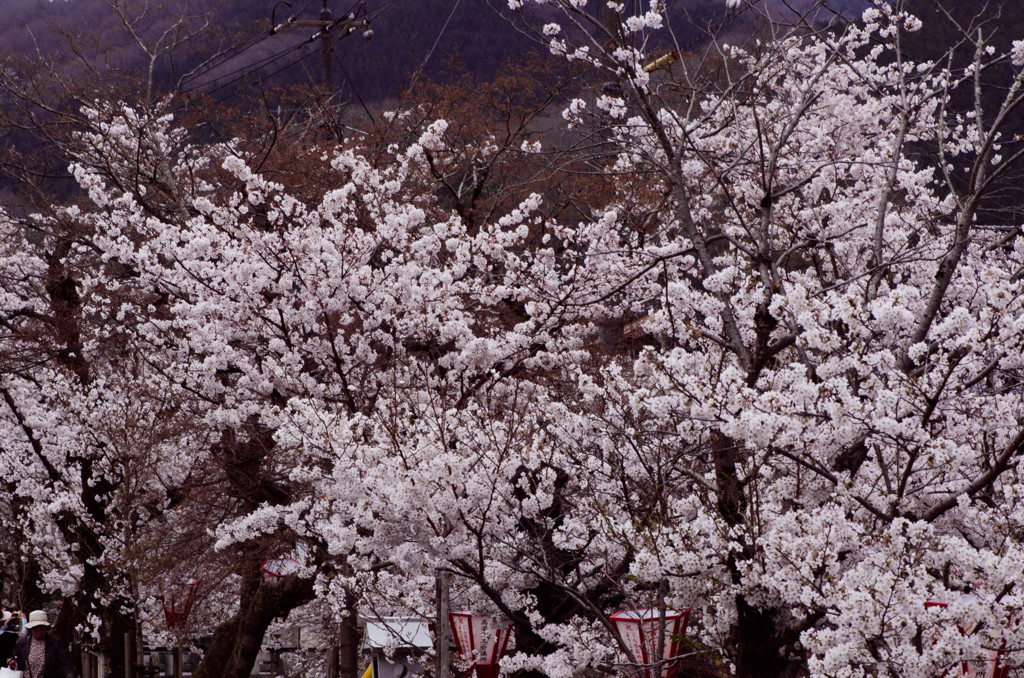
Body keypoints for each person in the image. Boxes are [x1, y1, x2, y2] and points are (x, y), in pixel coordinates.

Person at [6, 610, 73, 678]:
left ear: (46, 628)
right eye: (35, 627)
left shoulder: (55, 642)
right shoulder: (22, 643)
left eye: (41, 627)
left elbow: (64, 664)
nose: (39, 630)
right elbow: (17, 660)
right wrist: (13, 663)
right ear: (31, 628)